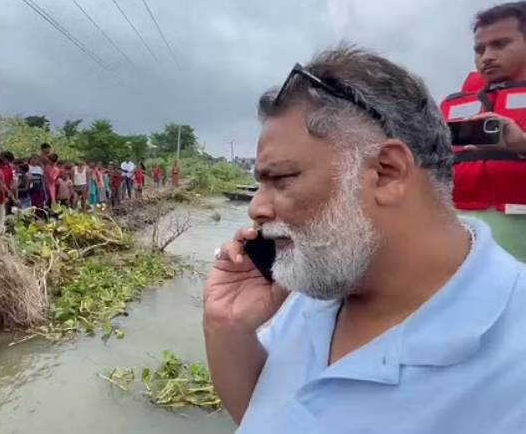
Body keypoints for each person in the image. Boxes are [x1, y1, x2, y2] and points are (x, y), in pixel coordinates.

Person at [204, 45, 526, 433]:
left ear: (386, 172)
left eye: (282, 179)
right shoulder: (324, 274)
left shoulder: (513, 356)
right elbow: (268, 415)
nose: (257, 208)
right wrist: (227, 329)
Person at [440, 1, 526, 260]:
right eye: (479, 49)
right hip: (457, 232)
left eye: (500, 44)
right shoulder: (451, 104)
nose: (486, 56)